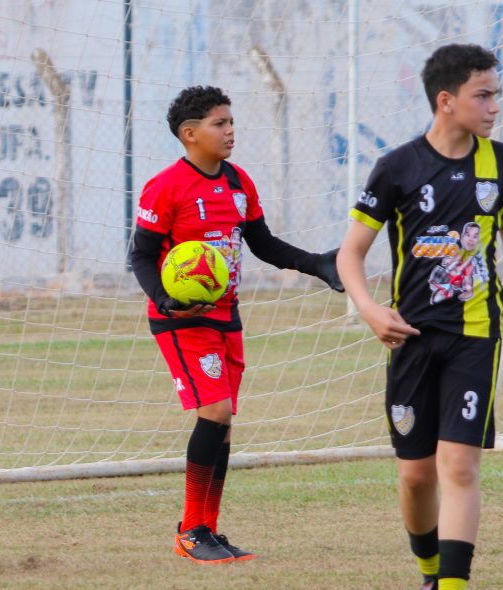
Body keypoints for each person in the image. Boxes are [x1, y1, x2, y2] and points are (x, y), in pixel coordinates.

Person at [336, 44, 503, 589]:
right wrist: (368, 309)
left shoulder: (501, 162)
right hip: (410, 339)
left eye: (497, 94)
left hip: (476, 336)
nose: (495, 106)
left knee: (459, 466)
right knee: (416, 475)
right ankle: (429, 568)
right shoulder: (397, 167)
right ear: (446, 101)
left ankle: (452, 584)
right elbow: (350, 253)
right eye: (484, 95)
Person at [130, 85, 343, 564]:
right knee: (216, 413)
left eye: (231, 122)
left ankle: (207, 528)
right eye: (219, 124)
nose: (230, 131)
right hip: (183, 322)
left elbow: (262, 243)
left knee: (224, 427)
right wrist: (165, 300)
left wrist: (317, 264)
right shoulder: (165, 187)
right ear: (190, 134)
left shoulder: (238, 181)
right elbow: (140, 256)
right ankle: (189, 531)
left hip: (228, 318)